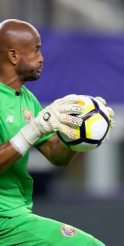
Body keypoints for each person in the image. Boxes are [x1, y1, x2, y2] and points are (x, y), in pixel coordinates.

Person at [0, 19, 112, 245]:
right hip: (5, 220)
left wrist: (79, 133)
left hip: (17, 214)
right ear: (13, 56)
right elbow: (32, 133)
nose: (41, 58)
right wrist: (31, 131)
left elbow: (55, 155)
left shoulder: (27, 99)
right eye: (35, 50)